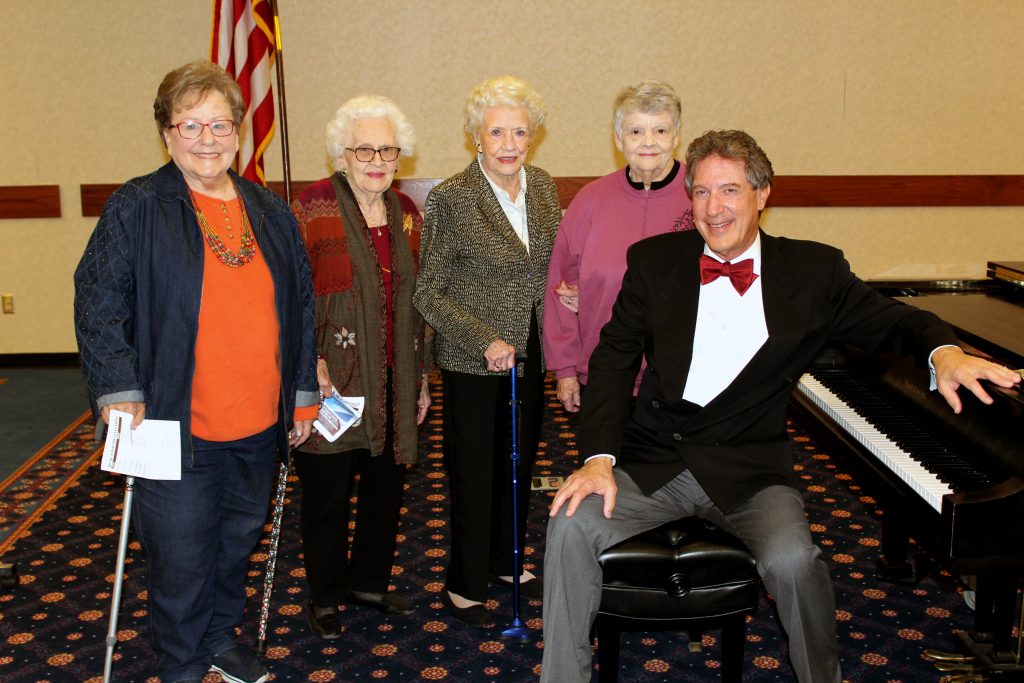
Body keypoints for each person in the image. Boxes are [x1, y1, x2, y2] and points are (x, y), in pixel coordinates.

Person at [539, 130, 1021, 682]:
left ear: (763, 193)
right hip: (654, 460)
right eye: (699, 193)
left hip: (751, 469)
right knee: (569, 523)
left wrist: (946, 353)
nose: (713, 209)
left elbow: (897, 320)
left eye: (729, 191)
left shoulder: (813, 272)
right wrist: (599, 457)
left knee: (795, 562)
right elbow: (613, 361)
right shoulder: (653, 262)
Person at [73, 60, 318, 683]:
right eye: (191, 125)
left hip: (258, 419)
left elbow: (299, 306)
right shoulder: (138, 205)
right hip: (171, 417)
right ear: (166, 133)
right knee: (181, 556)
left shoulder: (270, 210)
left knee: (237, 541)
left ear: (239, 132)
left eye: (220, 124)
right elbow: (97, 299)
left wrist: (302, 392)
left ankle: (216, 639)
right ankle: (182, 662)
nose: (207, 138)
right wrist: (117, 390)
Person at [413, 75, 562, 626]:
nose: (508, 143)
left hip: (532, 350)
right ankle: (465, 583)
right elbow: (428, 291)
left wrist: (562, 288)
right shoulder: (453, 197)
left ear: (532, 137)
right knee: (474, 472)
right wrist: (485, 338)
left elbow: (544, 263)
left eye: (519, 132)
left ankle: (505, 560)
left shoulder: (543, 186)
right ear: (477, 136)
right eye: (496, 131)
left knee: (518, 463)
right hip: (474, 359)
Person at [291, 95, 431, 639]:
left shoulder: (408, 215)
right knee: (326, 492)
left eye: (388, 149)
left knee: (386, 486)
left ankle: (367, 582)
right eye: (364, 148)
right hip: (333, 381)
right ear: (342, 153)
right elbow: (290, 296)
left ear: (401, 157)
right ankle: (325, 595)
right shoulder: (311, 208)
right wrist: (311, 362)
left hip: (395, 377)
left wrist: (421, 376)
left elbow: (419, 302)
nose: (377, 159)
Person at [543, 80, 694, 413]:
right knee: (603, 464)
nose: (648, 142)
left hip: (682, 379)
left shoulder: (700, 197)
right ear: (618, 139)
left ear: (677, 136)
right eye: (636, 131)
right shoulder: (590, 201)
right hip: (603, 375)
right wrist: (566, 370)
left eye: (660, 130)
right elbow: (560, 288)